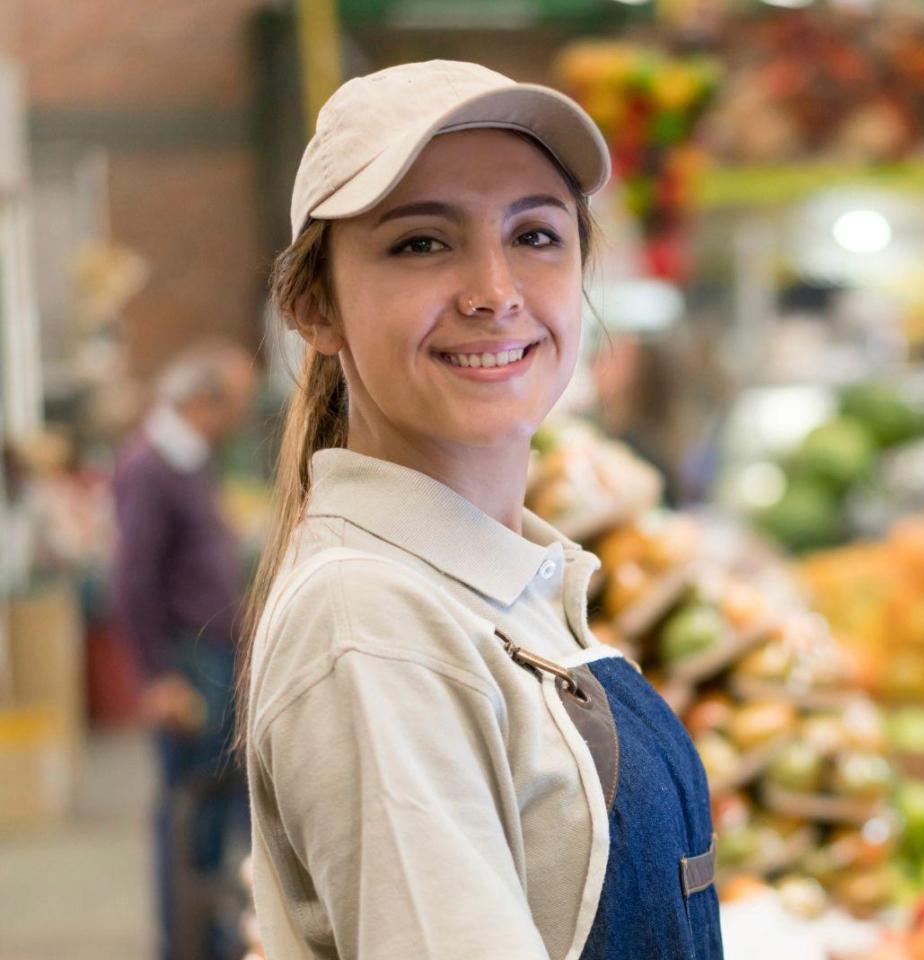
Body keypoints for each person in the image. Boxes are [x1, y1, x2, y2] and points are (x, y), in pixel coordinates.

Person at [240, 60, 722, 959]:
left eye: (536, 235)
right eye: (422, 243)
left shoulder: (508, 584)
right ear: (315, 307)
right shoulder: (374, 620)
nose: (495, 290)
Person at [110, 338, 258, 960]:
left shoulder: (185, 461)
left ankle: (212, 937)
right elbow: (134, 577)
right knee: (192, 807)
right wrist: (156, 675)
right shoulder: (153, 466)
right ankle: (189, 945)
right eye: (234, 408)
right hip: (188, 662)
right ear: (204, 401)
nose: (237, 423)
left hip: (210, 654)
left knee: (214, 807)